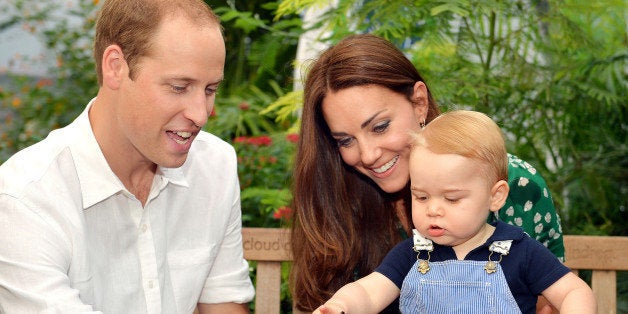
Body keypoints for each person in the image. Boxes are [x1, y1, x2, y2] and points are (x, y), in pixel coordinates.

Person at [0, 0, 254, 313]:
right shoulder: (25, 198)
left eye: (210, 89)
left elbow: (222, 305)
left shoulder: (215, 165)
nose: (200, 114)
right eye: (178, 87)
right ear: (116, 67)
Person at [290, 33, 564, 312]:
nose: (368, 155)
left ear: (419, 102)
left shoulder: (509, 180)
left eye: (380, 126)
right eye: (345, 140)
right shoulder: (340, 195)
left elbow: (552, 301)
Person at [312, 110, 595, 314]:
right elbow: (367, 292)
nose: (433, 209)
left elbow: (574, 291)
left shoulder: (520, 251)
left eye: (452, 199)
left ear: (495, 196)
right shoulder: (411, 254)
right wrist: (340, 305)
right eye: (421, 196)